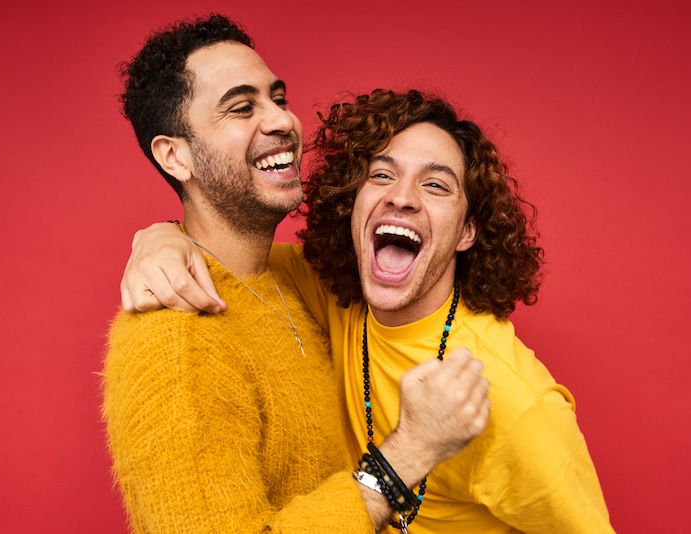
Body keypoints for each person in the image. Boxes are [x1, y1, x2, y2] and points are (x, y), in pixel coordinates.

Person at [122, 89, 616, 533]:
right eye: (382, 175)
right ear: (353, 203)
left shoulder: (518, 404)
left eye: (436, 185)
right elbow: (226, 254)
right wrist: (160, 237)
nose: (401, 197)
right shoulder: (329, 293)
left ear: (467, 232)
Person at [102, 15, 491, 534]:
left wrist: (158, 234)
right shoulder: (175, 343)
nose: (282, 121)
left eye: (278, 98)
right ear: (175, 156)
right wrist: (406, 456)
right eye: (242, 108)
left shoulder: (291, 281)